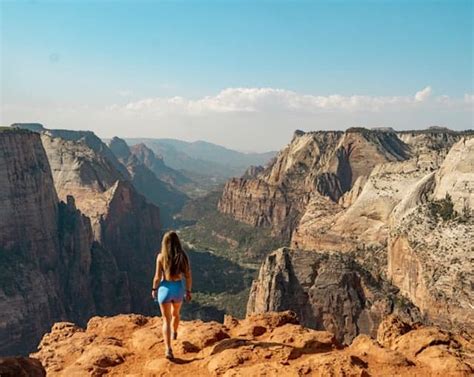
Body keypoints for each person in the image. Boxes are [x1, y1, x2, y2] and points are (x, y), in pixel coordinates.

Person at [152, 231, 192, 359]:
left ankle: (168, 349)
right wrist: (188, 291)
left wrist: (154, 289)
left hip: (164, 290)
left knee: (166, 320)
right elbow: (188, 276)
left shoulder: (160, 257)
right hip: (178, 289)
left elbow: (157, 277)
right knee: (176, 314)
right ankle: (174, 332)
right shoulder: (183, 256)